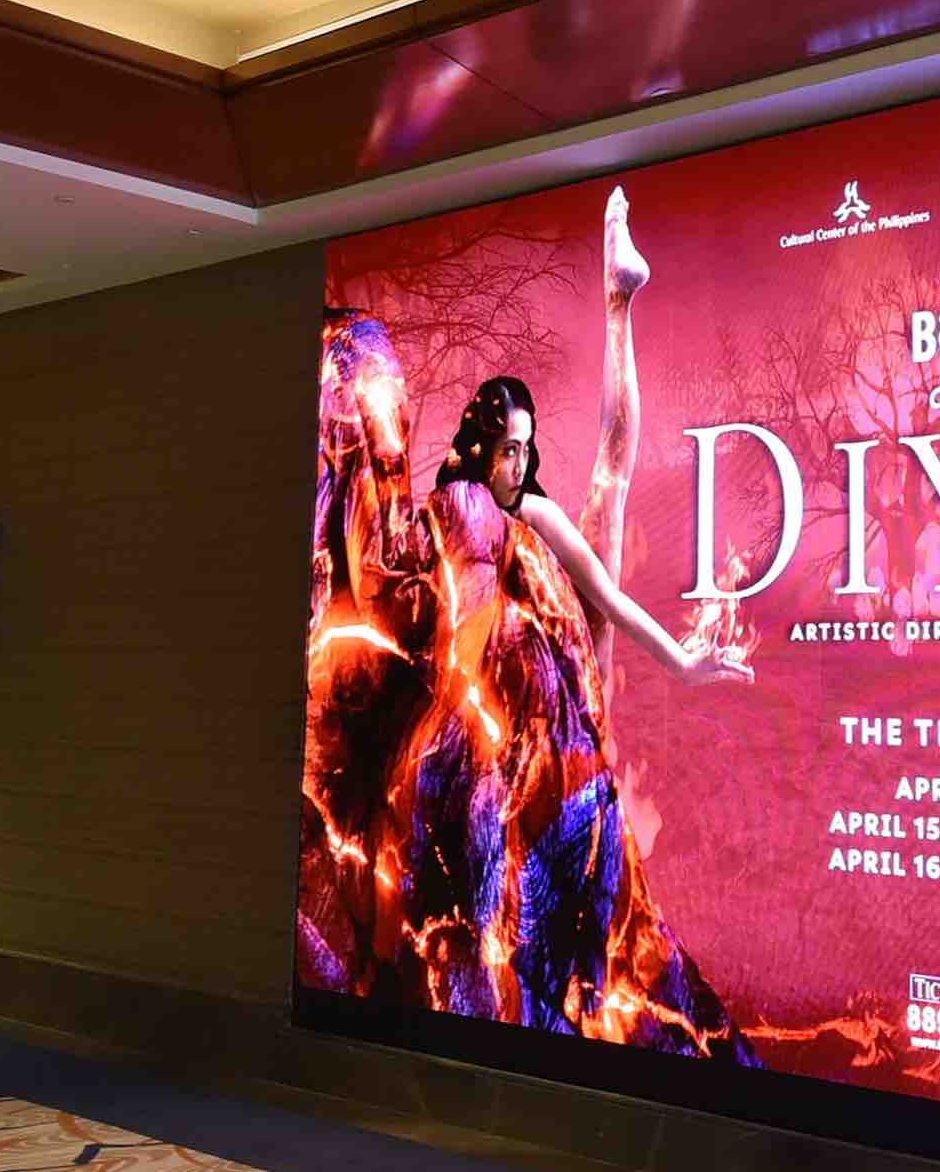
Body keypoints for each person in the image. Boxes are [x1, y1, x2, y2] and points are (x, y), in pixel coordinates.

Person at [298, 188, 756, 1059]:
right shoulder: (454, 516)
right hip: (501, 768)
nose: (518, 461)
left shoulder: (524, 516)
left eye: (526, 447)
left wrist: (680, 663)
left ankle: (618, 299)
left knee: (608, 489)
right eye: (507, 447)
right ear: (480, 444)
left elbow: (608, 560)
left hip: (565, 752)